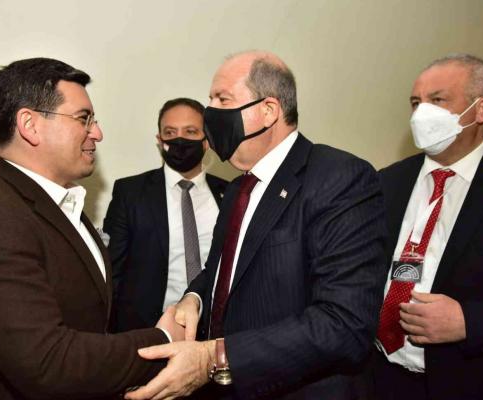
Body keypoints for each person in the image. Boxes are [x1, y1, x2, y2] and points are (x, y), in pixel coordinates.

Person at [125, 50, 387, 400]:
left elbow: (344, 324)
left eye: (222, 99)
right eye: (210, 100)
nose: (210, 112)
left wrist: (214, 357)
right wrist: (193, 299)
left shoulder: (339, 179)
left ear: (268, 111)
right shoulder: (238, 188)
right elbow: (221, 271)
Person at [0, 57, 183, 400]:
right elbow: (50, 363)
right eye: (83, 118)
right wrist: (164, 340)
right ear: (29, 125)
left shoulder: (60, 206)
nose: (97, 133)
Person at [369, 53, 483, 399]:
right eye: (416, 103)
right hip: (381, 378)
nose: (421, 113)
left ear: (481, 109)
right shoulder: (388, 181)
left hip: (476, 383)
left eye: (437, 100)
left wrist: (469, 321)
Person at [103, 98, 228, 333]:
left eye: (190, 132)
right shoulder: (131, 193)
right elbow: (113, 271)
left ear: (207, 141)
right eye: (170, 132)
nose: (180, 140)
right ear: (159, 140)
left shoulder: (230, 193)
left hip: (217, 331)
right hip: (148, 332)